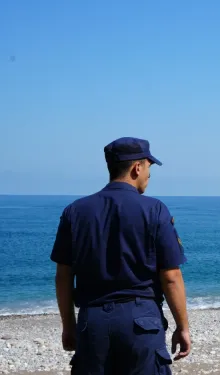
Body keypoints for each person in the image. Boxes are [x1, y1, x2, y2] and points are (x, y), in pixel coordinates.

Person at [50, 137, 191, 374]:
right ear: (137, 167)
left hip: (92, 321)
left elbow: (63, 276)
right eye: (148, 167)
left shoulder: (75, 211)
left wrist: (69, 326)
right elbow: (170, 276)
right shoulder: (154, 210)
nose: (149, 175)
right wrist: (183, 327)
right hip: (141, 322)